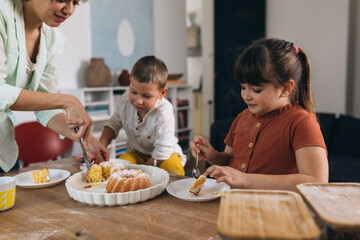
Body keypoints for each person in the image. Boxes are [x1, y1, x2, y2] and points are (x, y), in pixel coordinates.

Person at [190, 38, 328, 191]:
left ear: (286, 88)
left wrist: (244, 179)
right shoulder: (242, 118)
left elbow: (317, 180)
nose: (246, 96)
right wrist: (212, 155)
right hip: (235, 202)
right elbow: (230, 160)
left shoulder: (302, 122)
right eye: (243, 87)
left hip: (275, 209)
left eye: (256, 90)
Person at [0, 0, 108, 172]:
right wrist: (67, 100)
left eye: (76, 3)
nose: (70, 10)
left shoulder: (54, 40)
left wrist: (87, 141)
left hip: (4, 153)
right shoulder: (2, 12)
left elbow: (45, 106)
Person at [80, 56, 187, 175]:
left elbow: (162, 151)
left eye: (146, 96)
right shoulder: (125, 100)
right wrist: (99, 148)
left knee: (172, 171)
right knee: (118, 169)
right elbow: (112, 125)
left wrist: (141, 173)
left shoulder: (164, 111)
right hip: (137, 152)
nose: (138, 101)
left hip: (165, 155)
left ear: (162, 93)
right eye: (134, 92)